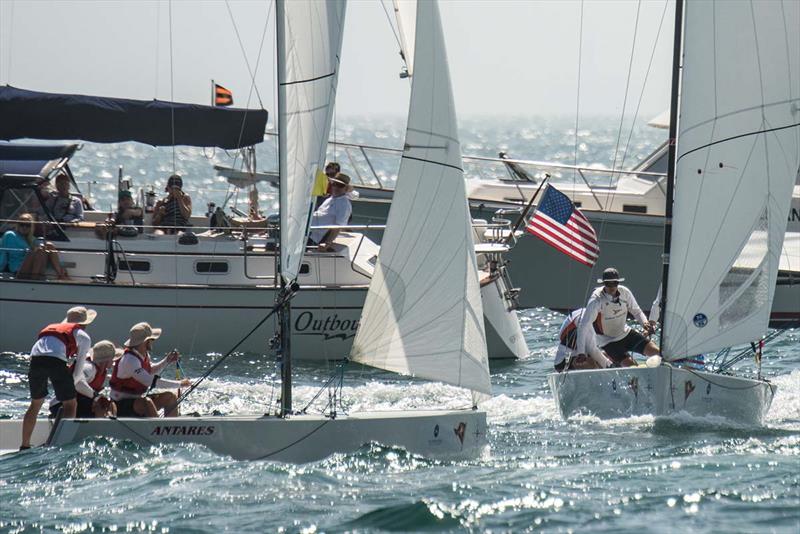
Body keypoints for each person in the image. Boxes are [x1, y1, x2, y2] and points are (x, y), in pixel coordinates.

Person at [20, 306, 97, 449]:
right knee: (70, 404)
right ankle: (61, 445)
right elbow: (78, 372)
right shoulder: (83, 336)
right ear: (85, 324)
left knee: (36, 404)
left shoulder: (51, 328)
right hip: (55, 361)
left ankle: (24, 445)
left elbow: (41, 351)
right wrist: (69, 388)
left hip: (35, 360)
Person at [576, 267, 660, 367]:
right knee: (633, 369)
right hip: (609, 342)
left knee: (658, 354)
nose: (612, 287)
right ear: (603, 284)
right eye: (608, 284)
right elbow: (584, 326)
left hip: (626, 333)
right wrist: (580, 352)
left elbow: (636, 311)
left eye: (614, 283)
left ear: (618, 283)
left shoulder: (625, 292)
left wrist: (645, 324)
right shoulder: (596, 301)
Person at [109, 322, 191, 417]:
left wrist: (166, 361)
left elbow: (150, 370)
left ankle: (170, 429)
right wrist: (180, 384)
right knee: (147, 402)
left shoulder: (144, 354)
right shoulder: (129, 360)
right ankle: (157, 429)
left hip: (136, 401)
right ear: (145, 341)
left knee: (170, 397)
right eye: (152, 339)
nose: (153, 341)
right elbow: (148, 380)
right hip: (120, 405)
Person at [49, 340, 120, 419]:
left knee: (110, 405)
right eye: (112, 358)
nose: (114, 361)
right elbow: (78, 383)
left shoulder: (99, 370)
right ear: (106, 360)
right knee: (100, 406)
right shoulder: (89, 367)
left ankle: (102, 427)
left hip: (78, 403)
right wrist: (97, 397)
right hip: (61, 405)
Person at [0, 213, 69, 280]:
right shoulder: (10, 235)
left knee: (49, 245)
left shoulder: (32, 239)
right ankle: (35, 279)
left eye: (28, 225)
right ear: (18, 225)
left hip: (32, 268)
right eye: (22, 224)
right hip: (18, 270)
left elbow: (42, 247)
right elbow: (3, 252)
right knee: (37, 250)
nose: (24, 227)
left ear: (31, 227)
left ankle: (60, 274)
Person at [309, 173, 352, 251]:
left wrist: (327, 243)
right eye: (334, 184)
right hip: (308, 232)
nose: (336, 187)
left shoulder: (344, 204)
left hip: (315, 238)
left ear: (346, 189)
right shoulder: (330, 198)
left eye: (340, 185)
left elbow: (338, 226)